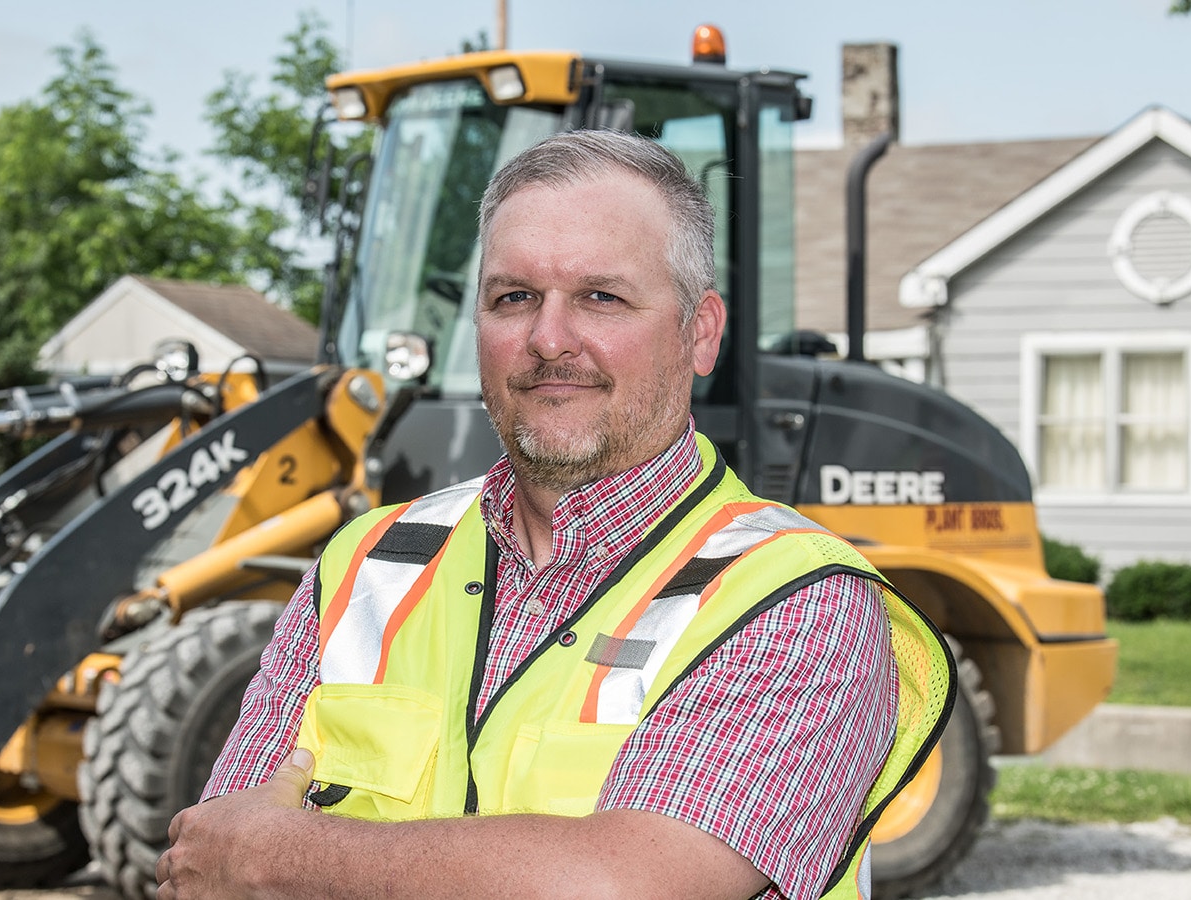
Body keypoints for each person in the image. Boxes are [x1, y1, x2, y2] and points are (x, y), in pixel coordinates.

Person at [156, 130, 952, 900]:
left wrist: (284, 858)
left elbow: (624, 888)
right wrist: (259, 860)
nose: (547, 338)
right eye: (514, 297)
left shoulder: (793, 599)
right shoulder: (369, 563)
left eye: (601, 298)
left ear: (699, 333)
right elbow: (218, 862)